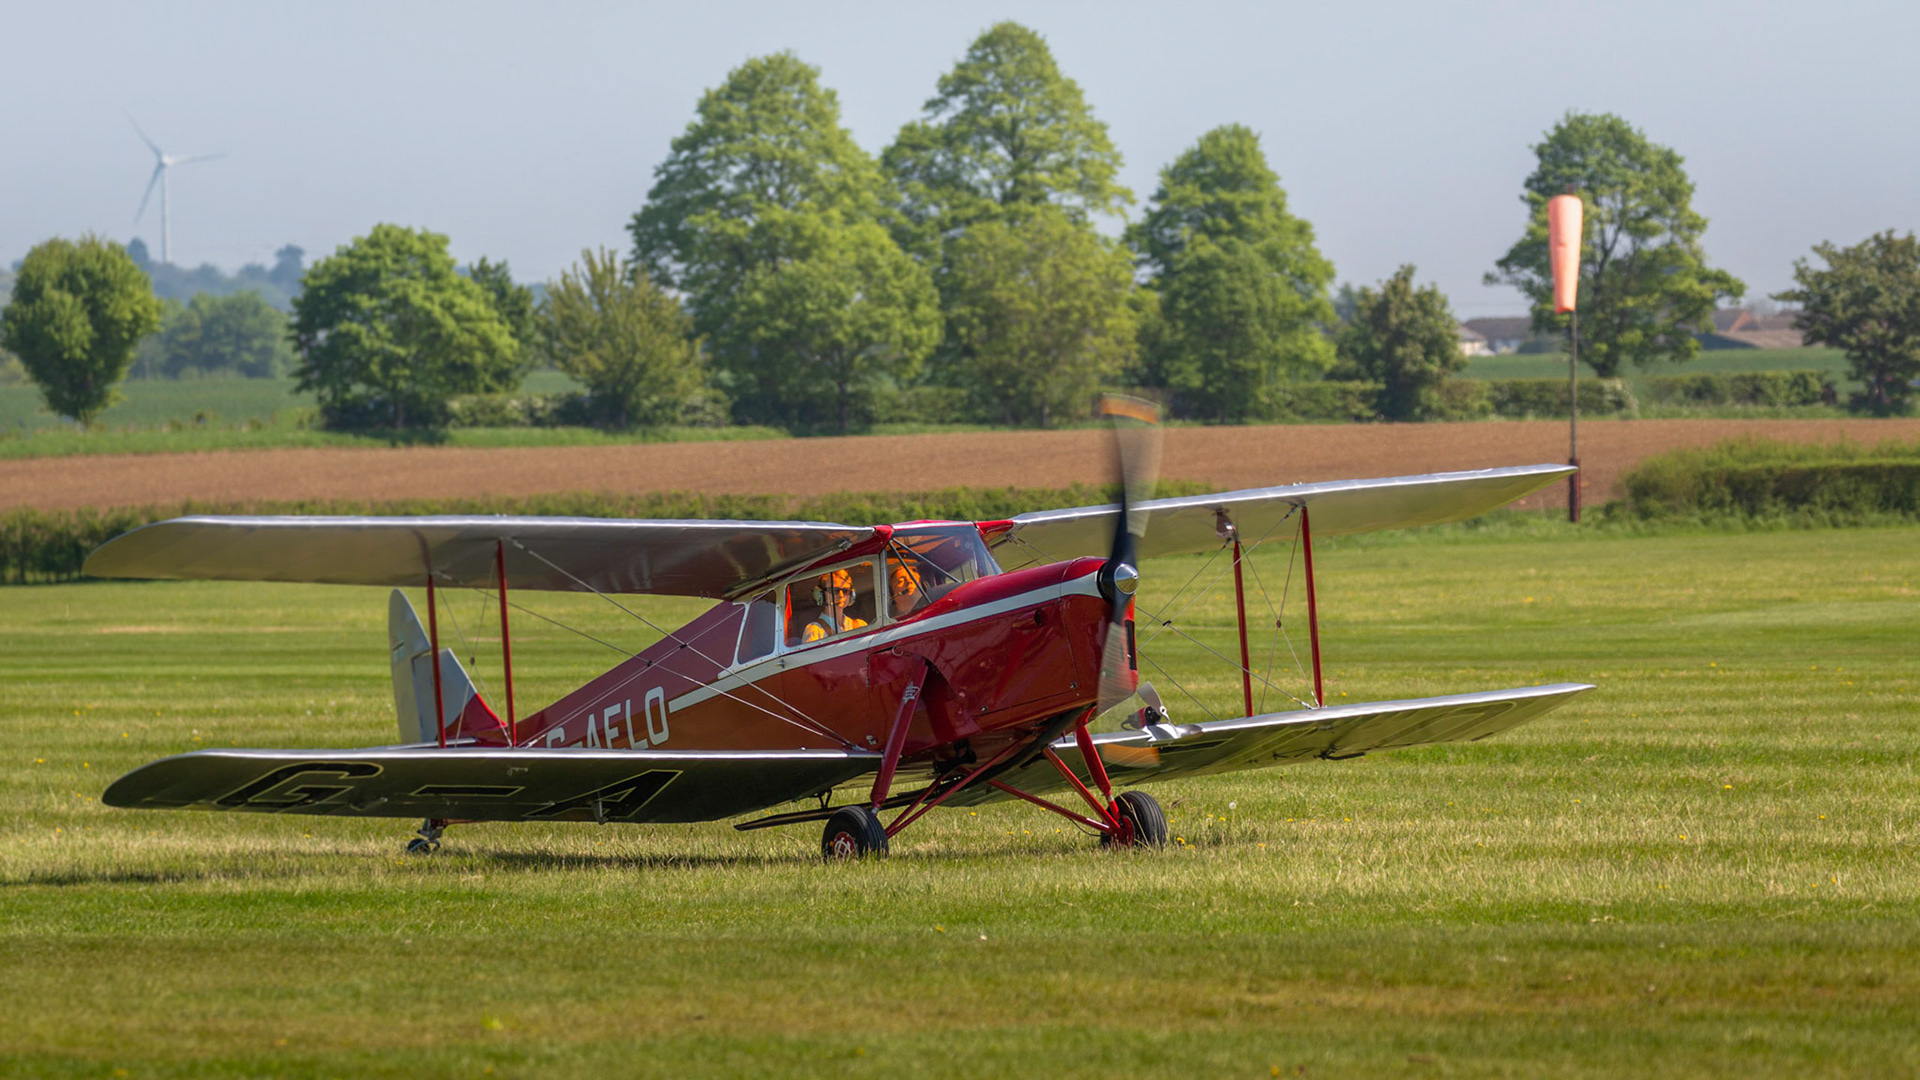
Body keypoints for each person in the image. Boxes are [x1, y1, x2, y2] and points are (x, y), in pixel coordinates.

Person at [800, 568, 867, 643]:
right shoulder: (815, 630)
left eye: (846, 591)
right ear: (821, 595)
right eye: (835, 590)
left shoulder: (861, 625)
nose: (841, 595)